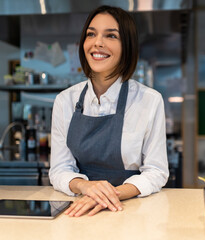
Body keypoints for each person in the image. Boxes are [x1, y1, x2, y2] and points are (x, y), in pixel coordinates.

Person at [49, 5, 169, 217]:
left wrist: (110, 194)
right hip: (80, 211)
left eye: (111, 36)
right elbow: (60, 169)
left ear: (128, 46)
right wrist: (86, 187)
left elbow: (156, 171)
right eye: (91, 34)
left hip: (131, 210)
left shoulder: (149, 101)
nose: (98, 43)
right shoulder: (65, 101)